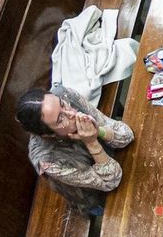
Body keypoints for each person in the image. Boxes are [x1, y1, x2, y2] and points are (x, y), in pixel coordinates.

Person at [16, 85, 134, 215]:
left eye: (62, 104)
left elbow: (126, 135)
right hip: (92, 192)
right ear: (49, 134)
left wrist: (98, 131)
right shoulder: (47, 161)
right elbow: (111, 181)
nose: (72, 113)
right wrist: (91, 142)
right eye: (61, 119)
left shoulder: (65, 95)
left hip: (109, 160)